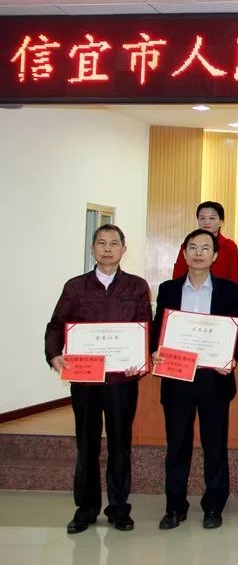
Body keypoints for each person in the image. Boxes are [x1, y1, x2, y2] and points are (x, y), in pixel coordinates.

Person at [44, 224, 151, 534]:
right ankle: (86, 508)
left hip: (122, 381)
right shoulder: (76, 287)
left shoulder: (136, 287)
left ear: (123, 250)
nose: (107, 248)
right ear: (92, 249)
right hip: (85, 381)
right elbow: (56, 325)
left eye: (114, 243)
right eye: (101, 243)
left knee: (120, 444)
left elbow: (145, 327)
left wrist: (140, 361)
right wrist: (54, 356)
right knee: (86, 444)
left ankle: (118, 508)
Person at [152, 229, 238, 531]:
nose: (198, 253)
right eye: (192, 247)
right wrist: (155, 350)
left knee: (214, 446)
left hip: (213, 380)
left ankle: (214, 506)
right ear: (184, 253)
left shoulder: (229, 291)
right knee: (177, 445)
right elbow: (158, 328)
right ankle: (174, 506)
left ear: (215, 255)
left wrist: (230, 357)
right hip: (177, 379)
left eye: (206, 248)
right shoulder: (168, 289)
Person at [171, 201, 238, 287]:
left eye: (212, 218)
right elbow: (178, 277)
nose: (206, 222)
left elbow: (236, 281)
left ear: (221, 222)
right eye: (202, 218)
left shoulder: (229, 246)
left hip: (221, 293)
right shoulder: (188, 245)